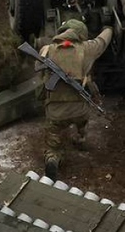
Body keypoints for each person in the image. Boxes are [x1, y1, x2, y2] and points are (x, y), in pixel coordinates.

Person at [38, 19, 113, 180]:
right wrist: (109, 28)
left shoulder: (46, 50)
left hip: (55, 111)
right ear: (81, 35)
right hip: (80, 110)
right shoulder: (88, 49)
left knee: (54, 136)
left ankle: (53, 157)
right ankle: (80, 138)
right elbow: (102, 40)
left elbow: (40, 79)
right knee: (82, 119)